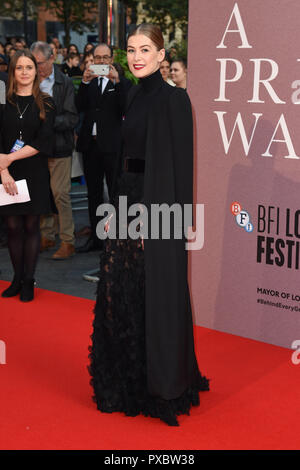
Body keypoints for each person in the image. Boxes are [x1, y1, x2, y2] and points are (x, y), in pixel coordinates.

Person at [88, 24, 209, 426]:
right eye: (131, 49)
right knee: (120, 289)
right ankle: (128, 380)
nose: (137, 56)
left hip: (156, 211)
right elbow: (128, 156)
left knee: (152, 292)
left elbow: (177, 167)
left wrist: (155, 221)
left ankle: (161, 384)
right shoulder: (134, 93)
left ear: (162, 56)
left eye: (146, 49)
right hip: (124, 200)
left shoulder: (175, 99)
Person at [0, 50, 55, 301]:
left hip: (34, 171)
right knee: (12, 226)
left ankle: (29, 280)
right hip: (6, 174)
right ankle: (16, 278)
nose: (24, 72)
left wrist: (9, 158)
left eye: (29, 67)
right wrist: (3, 170)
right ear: (12, 72)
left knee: (32, 225)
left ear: (36, 71)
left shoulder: (47, 102)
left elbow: (43, 141)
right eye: (19, 67)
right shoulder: (3, 102)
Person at [75, 43, 132, 253]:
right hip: (91, 146)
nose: (100, 62)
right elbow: (78, 105)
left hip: (112, 146)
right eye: (97, 58)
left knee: (116, 192)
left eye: (104, 58)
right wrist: (83, 81)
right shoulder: (88, 82)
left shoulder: (121, 82)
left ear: (111, 58)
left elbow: (125, 106)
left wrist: (116, 81)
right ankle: (97, 238)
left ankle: (116, 238)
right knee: (94, 193)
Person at [30, 41, 78, 260]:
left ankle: (67, 240)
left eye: (39, 63)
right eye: (33, 63)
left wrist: (45, 123)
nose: (36, 68)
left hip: (59, 147)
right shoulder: (28, 81)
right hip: (36, 149)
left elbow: (71, 118)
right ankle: (46, 235)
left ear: (52, 59)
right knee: (42, 193)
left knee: (61, 194)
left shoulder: (64, 83)